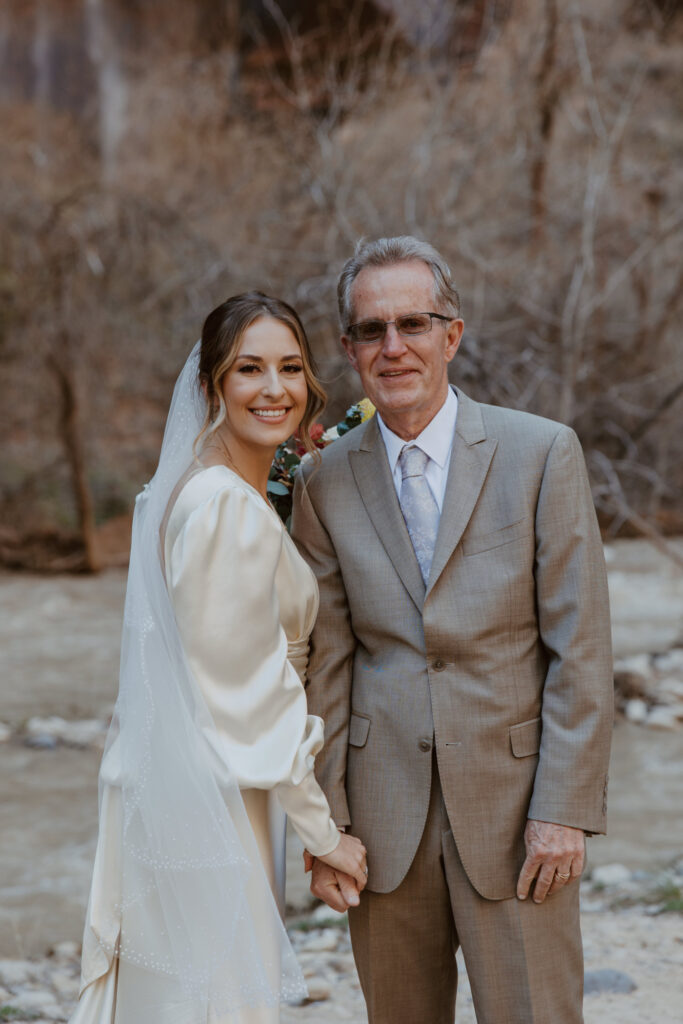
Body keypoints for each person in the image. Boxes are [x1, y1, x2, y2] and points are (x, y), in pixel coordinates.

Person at [292, 237, 614, 1024]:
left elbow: (580, 646)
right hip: (381, 821)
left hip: (516, 819)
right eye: (371, 330)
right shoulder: (322, 479)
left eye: (413, 323)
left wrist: (563, 810)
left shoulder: (540, 453)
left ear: (451, 335)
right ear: (348, 349)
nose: (392, 347)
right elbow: (327, 661)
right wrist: (326, 823)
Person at [69, 292, 367, 1024]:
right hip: (214, 805)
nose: (275, 390)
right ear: (211, 387)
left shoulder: (189, 487)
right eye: (248, 370)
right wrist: (323, 834)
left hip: (173, 785)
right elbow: (248, 698)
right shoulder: (225, 509)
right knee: (215, 1005)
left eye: (291, 368)